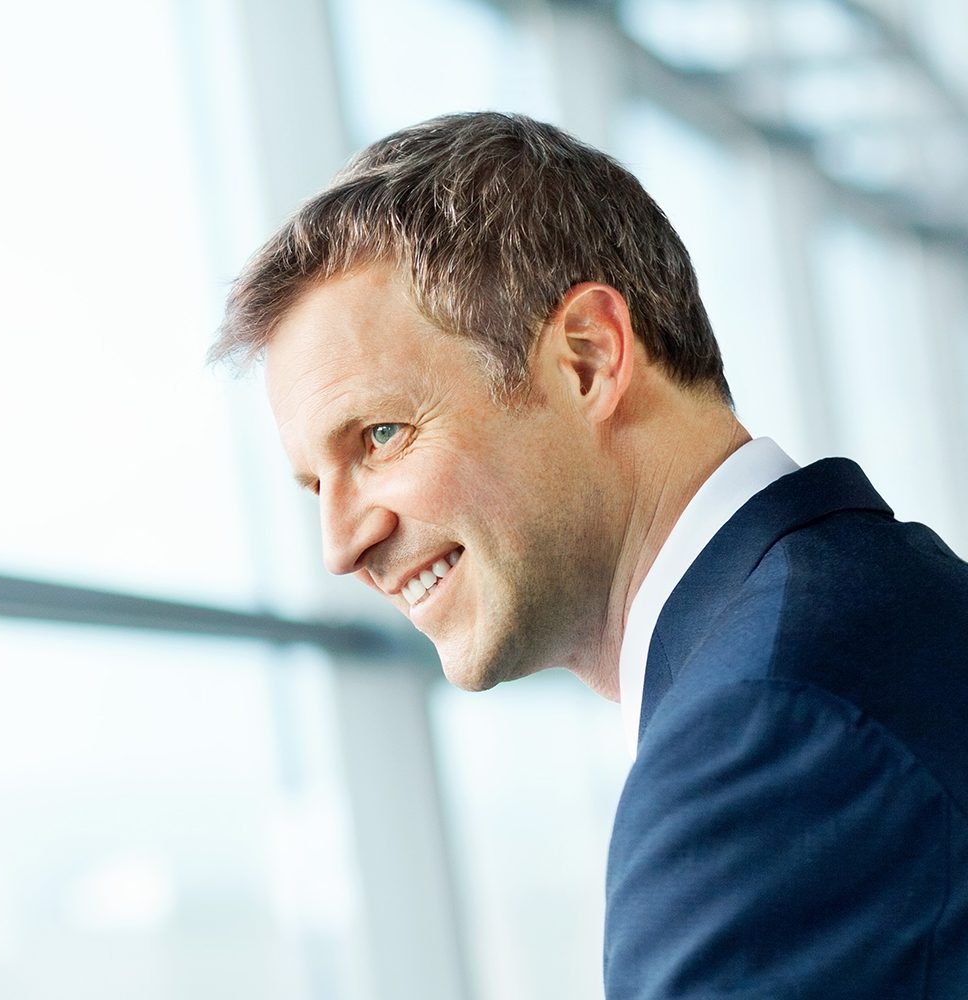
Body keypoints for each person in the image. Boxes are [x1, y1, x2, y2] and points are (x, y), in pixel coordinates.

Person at [210, 111, 968, 998]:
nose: (342, 547)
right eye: (315, 485)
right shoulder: (878, 600)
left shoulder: (763, 734)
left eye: (380, 436)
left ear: (588, 358)